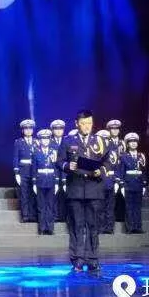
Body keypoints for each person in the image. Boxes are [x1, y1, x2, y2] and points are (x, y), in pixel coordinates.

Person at [59, 110, 111, 273]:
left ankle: (93, 259)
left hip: (94, 189)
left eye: (89, 123)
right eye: (83, 123)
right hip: (75, 189)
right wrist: (67, 166)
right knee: (76, 226)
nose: (87, 126)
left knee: (93, 225)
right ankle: (77, 259)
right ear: (77, 124)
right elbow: (59, 161)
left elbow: (109, 161)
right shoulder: (68, 141)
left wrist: (100, 171)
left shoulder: (100, 141)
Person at [32, 129, 59, 235]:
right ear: (40, 140)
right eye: (43, 139)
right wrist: (34, 183)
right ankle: (42, 228)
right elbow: (33, 169)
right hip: (40, 181)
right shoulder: (36, 152)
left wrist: (56, 182)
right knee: (41, 206)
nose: (45, 141)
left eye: (47, 139)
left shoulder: (54, 151)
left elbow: (56, 168)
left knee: (50, 205)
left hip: (51, 180)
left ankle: (50, 228)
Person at [120, 132, 148, 234]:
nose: (133, 143)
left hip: (138, 184)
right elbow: (122, 171)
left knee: (137, 207)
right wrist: (122, 185)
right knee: (129, 207)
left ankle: (138, 227)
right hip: (128, 184)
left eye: (135, 141)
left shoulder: (141, 156)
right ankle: (130, 228)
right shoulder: (124, 156)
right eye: (131, 142)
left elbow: (144, 171)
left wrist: (144, 184)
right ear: (127, 144)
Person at [13, 119, 38, 223]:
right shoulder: (18, 142)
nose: (28, 130)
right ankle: (25, 215)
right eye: (26, 128)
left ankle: (33, 215)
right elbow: (15, 157)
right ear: (23, 130)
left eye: (30, 128)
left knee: (33, 193)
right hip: (23, 171)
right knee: (24, 194)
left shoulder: (37, 142)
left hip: (34, 171)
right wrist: (16, 173)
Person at [96, 129, 119, 234]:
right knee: (99, 207)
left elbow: (117, 167)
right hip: (98, 182)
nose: (105, 141)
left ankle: (109, 227)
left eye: (107, 139)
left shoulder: (113, 151)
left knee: (110, 207)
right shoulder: (95, 151)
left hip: (110, 182)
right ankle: (100, 227)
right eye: (102, 139)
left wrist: (117, 181)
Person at [50, 120, 69, 223]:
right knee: (54, 195)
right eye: (56, 129)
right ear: (52, 130)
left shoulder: (67, 141)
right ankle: (55, 215)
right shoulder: (49, 142)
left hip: (65, 172)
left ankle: (64, 216)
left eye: (61, 128)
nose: (58, 131)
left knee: (65, 195)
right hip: (53, 172)